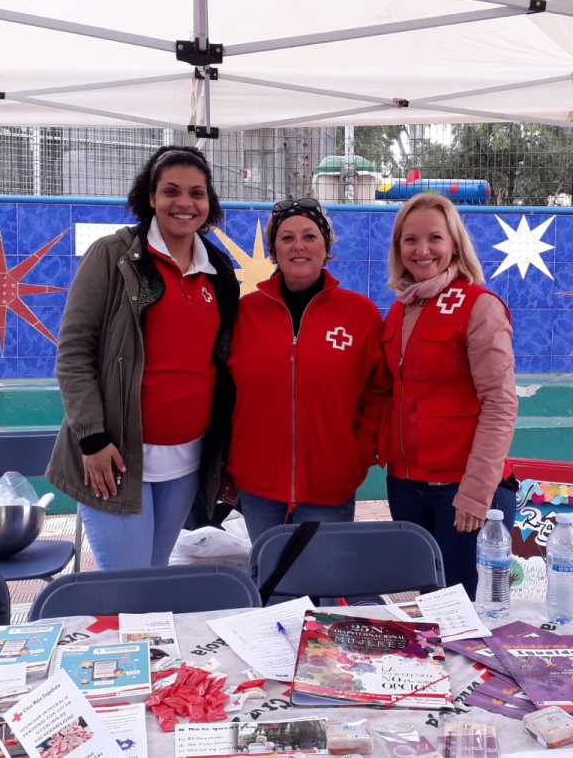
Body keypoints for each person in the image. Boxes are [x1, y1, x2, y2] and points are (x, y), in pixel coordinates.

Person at [46, 145, 239, 570]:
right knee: (128, 587)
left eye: (197, 193)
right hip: (115, 456)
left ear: (209, 202)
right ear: (150, 197)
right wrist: (92, 438)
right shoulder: (113, 255)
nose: (184, 203)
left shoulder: (219, 270)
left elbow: (223, 362)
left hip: (186, 459)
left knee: (155, 578)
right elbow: (74, 352)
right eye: (171, 191)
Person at [226, 197, 391, 542]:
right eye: (286, 238)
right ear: (274, 250)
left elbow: (379, 392)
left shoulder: (359, 314)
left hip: (330, 485)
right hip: (257, 485)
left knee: (323, 575)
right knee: (269, 575)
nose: (298, 246)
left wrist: (357, 454)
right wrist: (230, 462)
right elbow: (225, 392)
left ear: (326, 246)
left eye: (309, 236)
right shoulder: (245, 313)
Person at [380, 192, 518, 598]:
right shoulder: (399, 309)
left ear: (455, 244)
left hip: (462, 489)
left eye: (434, 238)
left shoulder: (480, 306)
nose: (422, 250)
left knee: (471, 611)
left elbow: (500, 403)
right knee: (430, 606)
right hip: (405, 486)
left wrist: (476, 491)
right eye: (410, 240)